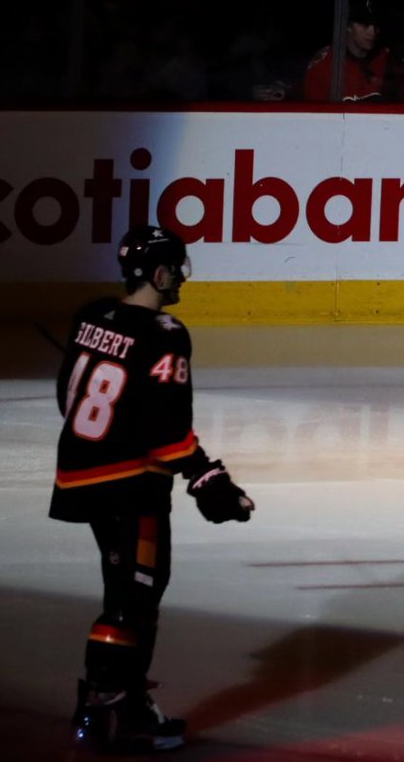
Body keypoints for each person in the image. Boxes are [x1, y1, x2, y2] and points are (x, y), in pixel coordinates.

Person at [52, 225, 255, 751]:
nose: (180, 277)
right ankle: (114, 711)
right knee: (133, 599)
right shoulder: (165, 332)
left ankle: (115, 702)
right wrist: (208, 477)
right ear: (162, 273)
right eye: (177, 267)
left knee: (125, 588)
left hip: (81, 473)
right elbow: (168, 430)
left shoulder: (91, 315)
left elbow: (66, 396)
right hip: (131, 486)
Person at [303, 0, 404, 102]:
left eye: (376, 25)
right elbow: (312, 116)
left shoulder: (392, 63)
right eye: (364, 25)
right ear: (347, 25)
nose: (373, 32)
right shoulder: (325, 64)